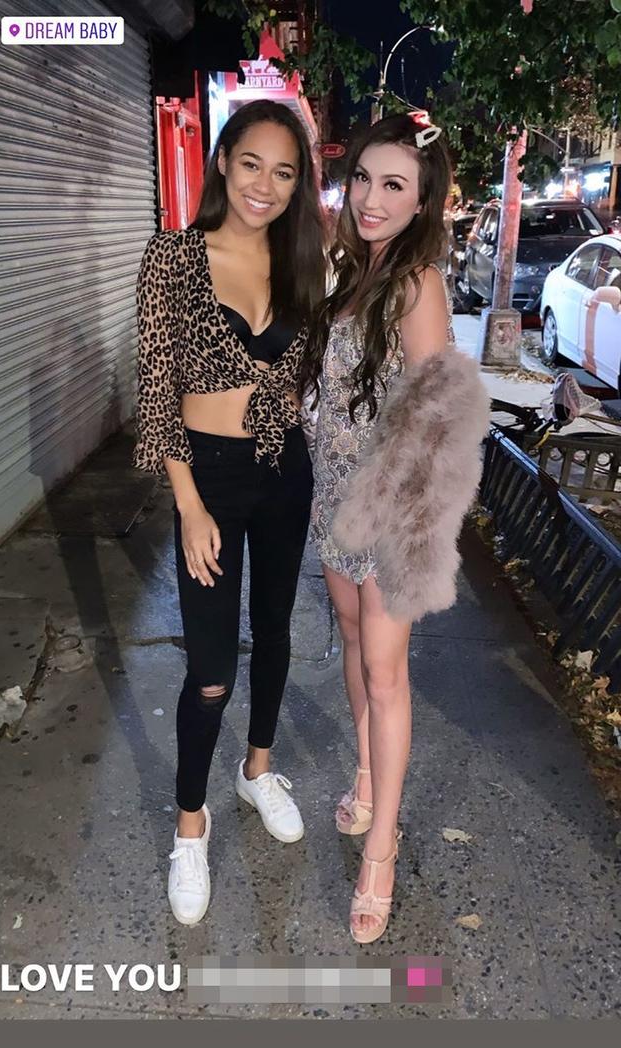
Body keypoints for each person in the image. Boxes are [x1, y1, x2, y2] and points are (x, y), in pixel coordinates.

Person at [133, 100, 325, 926]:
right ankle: (190, 826)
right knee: (211, 671)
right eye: (252, 164)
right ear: (222, 161)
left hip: (284, 470)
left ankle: (256, 770)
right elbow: (155, 389)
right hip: (206, 477)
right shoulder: (173, 257)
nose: (265, 186)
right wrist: (187, 503)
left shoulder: (301, 261)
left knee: (275, 630)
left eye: (284, 172)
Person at [300, 113, 489, 944]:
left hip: (385, 512)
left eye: (394, 186)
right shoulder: (354, 269)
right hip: (331, 496)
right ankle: (369, 777)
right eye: (364, 179)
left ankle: (381, 850)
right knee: (350, 640)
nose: (371, 200)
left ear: (422, 202)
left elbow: (433, 422)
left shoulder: (418, 283)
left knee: (386, 674)